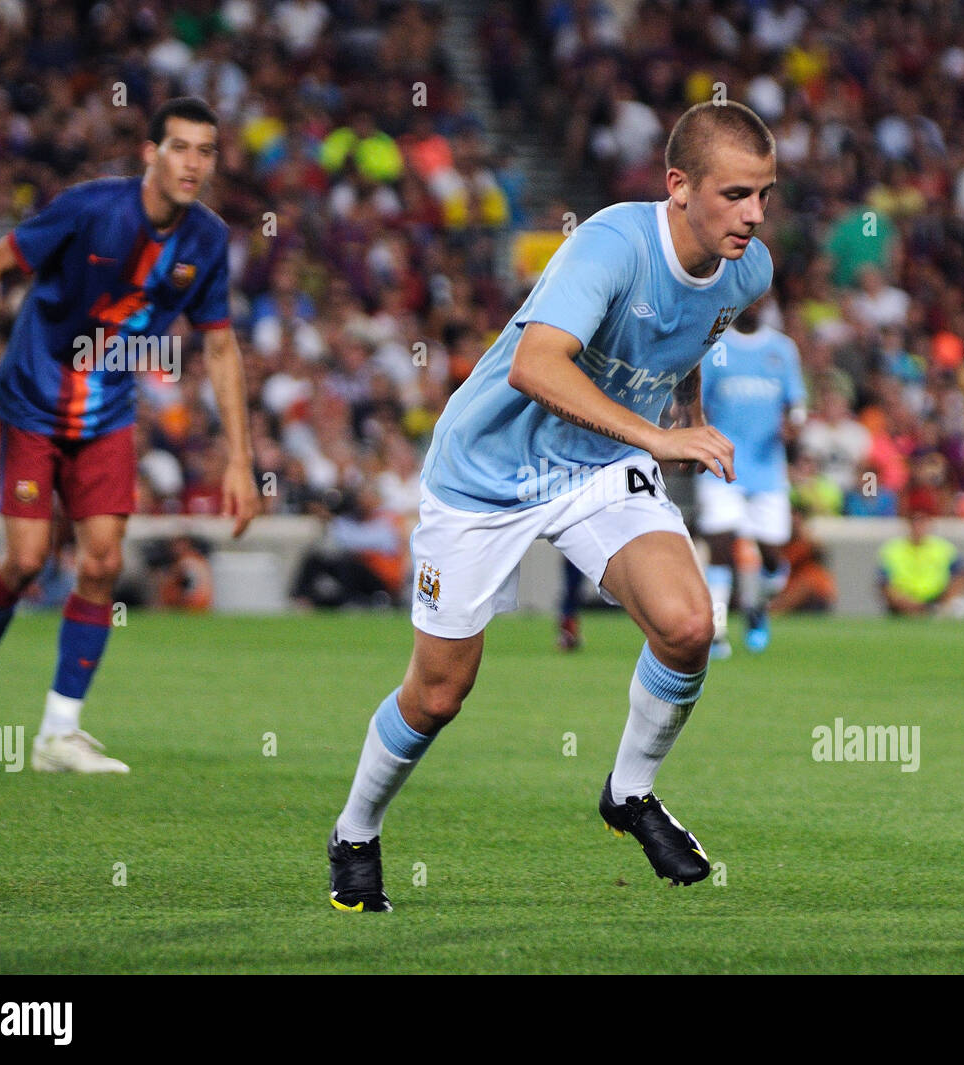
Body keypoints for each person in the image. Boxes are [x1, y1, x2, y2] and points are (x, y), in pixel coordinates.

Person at [328, 100, 776, 911]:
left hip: (598, 466)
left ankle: (629, 793)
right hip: (486, 471)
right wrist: (659, 436)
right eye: (736, 194)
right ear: (679, 186)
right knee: (437, 694)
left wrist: (692, 414)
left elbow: (693, 334)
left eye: (764, 195)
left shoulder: (749, 269)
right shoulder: (610, 243)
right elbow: (535, 366)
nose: (753, 215)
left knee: (687, 625)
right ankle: (355, 831)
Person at [0, 97, 260, 772]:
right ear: (150, 152)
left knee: (103, 561)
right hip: (31, 399)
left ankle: (59, 731)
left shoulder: (208, 240)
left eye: (205, 151)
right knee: (24, 561)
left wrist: (239, 459)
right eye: (180, 147)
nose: (193, 163)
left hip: (107, 409)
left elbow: (221, 349)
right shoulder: (90, 209)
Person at [697, 293, 806, 656]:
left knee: (772, 557)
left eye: (762, 300)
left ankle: (757, 607)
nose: (755, 306)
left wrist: (793, 427)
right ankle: (717, 630)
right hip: (721, 465)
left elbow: (796, 405)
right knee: (721, 548)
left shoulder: (782, 349)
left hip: (767, 468)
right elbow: (697, 401)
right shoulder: (716, 348)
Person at [877, 509, 964, 617]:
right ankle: (919, 612)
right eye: (914, 523)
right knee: (889, 590)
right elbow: (883, 580)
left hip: (936, 599)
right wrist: (907, 602)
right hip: (904, 600)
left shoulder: (942, 547)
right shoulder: (893, 549)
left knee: (962, 591)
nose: (918, 528)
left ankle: (940, 610)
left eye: (922, 523)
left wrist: (947, 598)